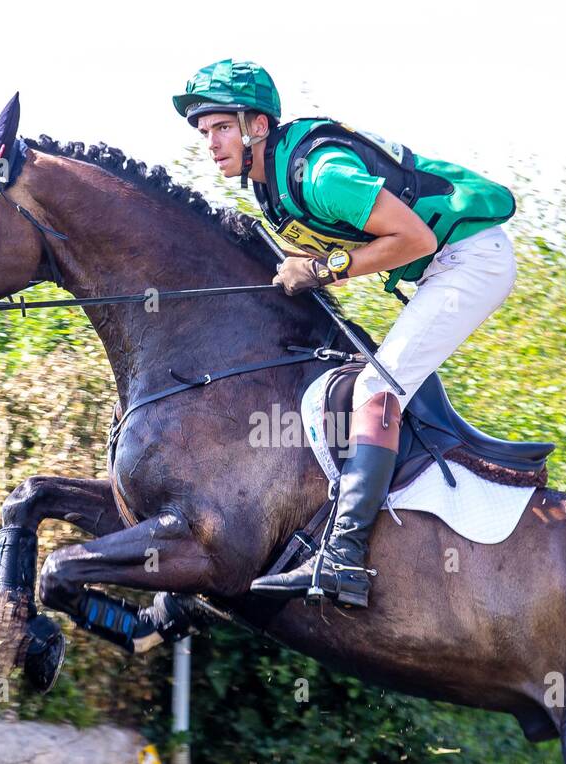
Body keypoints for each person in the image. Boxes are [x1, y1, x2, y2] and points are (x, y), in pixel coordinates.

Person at [174, 58, 519, 608]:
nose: (210, 143)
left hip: (469, 259)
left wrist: (319, 269)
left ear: (256, 127)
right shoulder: (270, 182)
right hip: (441, 263)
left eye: (219, 127)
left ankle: (344, 560)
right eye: (203, 131)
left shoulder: (320, 174)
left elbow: (414, 239)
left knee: (377, 390)